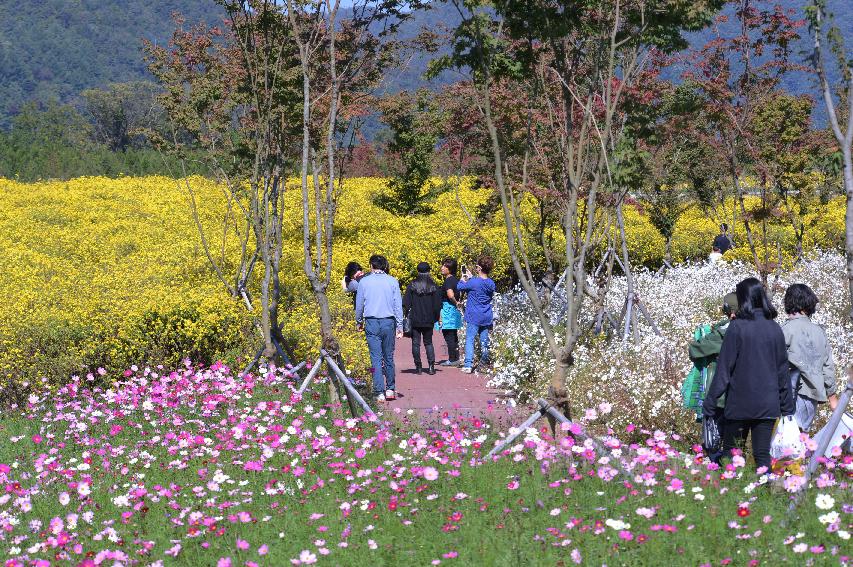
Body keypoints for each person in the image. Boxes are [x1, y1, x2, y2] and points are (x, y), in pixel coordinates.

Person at [702, 277, 794, 472]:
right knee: (762, 454)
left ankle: (732, 495)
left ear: (744, 299)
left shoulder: (737, 327)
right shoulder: (774, 328)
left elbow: (724, 370)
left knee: (732, 453)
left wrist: (710, 402)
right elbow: (782, 371)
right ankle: (764, 493)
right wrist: (787, 407)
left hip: (739, 403)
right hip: (768, 404)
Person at [686, 292, 738, 460]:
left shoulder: (722, 332)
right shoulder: (753, 330)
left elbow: (696, 349)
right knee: (734, 438)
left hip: (718, 392)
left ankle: (715, 462)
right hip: (742, 394)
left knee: (713, 435)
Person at [781, 283, 838, 432]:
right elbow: (828, 367)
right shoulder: (819, 332)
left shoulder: (785, 330)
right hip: (811, 396)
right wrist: (832, 396)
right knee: (801, 440)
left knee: (785, 444)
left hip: (790, 395)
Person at [355, 255, 404, 402]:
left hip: (371, 322)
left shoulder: (364, 282)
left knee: (375, 358)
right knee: (388, 356)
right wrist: (400, 325)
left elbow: (359, 305)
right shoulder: (392, 281)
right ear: (384, 265)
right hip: (389, 322)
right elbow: (398, 305)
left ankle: (379, 392)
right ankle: (390, 389)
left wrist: (358, 321)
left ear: (371, 266)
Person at [457, 255, 496, 374]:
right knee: (484, 340)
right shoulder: (491, 283)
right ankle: (484, 362)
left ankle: (468, 364)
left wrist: (463, 278)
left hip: (474, 315)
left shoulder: (473, 282)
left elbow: (460, 287)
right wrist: (472, 277)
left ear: (479, 268)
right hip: (486, 315)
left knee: (470, 339)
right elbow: (480, 284)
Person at [403, 262, 443, 375]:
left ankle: (418, 366)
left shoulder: (412, 285)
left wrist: (407, 314)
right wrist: (435, 317)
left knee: (416, 343)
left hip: (415, 318)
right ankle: (431, 366)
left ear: (418, 271)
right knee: (428, 343)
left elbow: (406, 303)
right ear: (429, 271)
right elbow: (437, 305)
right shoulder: (433, 286)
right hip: (429, 318)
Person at [439, 258, 463, 366]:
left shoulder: (448, 280)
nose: (442, 268)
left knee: (448, 335)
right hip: (454, 310)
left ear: (450, 269)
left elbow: (450, 294)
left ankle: (452, 359)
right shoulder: (456, 280)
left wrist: (455, 302)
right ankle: (456, 358)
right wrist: (458, 303)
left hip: (448, 309)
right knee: (454, 335)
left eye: (445, 266)